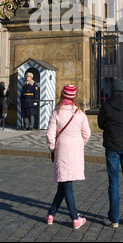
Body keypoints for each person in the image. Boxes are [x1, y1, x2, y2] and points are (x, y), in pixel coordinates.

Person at [45, 84, 91, 230]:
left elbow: (49, 135)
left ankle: (67, 217)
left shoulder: (56, 113)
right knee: (64, 184)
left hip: (62, 149)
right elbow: (87, 134)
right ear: (73, 97)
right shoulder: (80, 113)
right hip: (75, 150)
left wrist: (53, 148)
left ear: (62, 95)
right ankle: (64, 216)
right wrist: (79, 144)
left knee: (66, 184)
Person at [98, 78, 123, 229]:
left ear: (113, 90)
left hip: (112, 146)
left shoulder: (107, 105)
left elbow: (101, 124)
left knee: (113, 182)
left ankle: (113, 219)